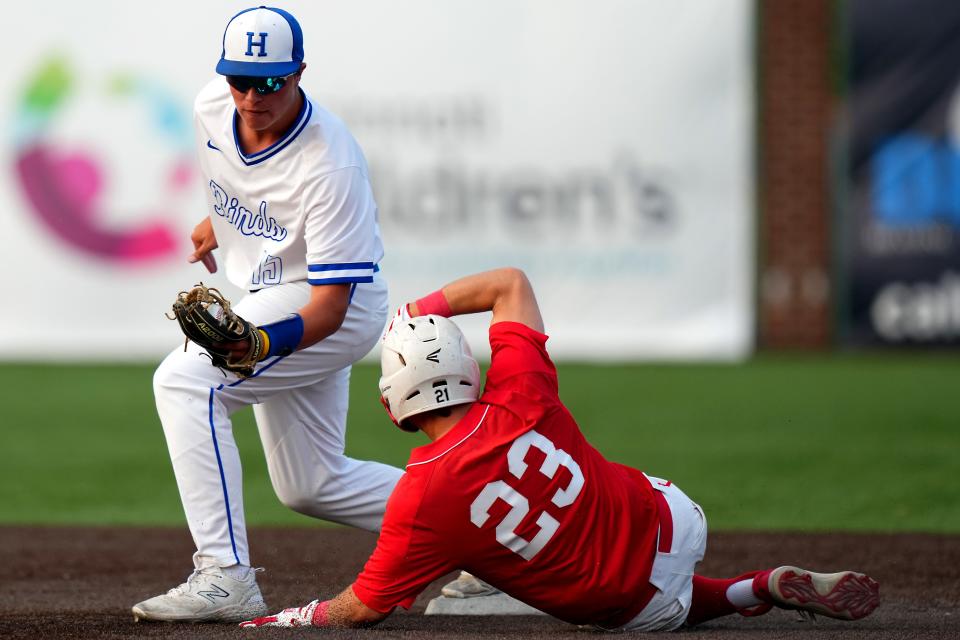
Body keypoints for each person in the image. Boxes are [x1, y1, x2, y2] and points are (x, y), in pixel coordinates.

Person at [238, 267, 881, 631]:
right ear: (470, 368)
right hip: (676, 515)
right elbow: (509, 283)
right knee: (634, 538)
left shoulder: (420, 497)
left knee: (645, 601)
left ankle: (751, 590)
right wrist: (418, 308)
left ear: (392, 406)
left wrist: (283, 621)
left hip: (632, 604)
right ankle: (760, 585)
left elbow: (362, 607)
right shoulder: (520, 389)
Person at [131, 7, 404, 623]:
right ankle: (474, 529)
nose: (253, 96)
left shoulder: (331, 161)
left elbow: (331, 305)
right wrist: (218, 224)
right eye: (240, 80)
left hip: (326, 303)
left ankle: (224, 576)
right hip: (269, 292)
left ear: (300, 73)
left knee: (184, 381)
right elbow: (235, 179)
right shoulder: (211, 106)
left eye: (271, 82)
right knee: (312, 484)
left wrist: (260, 341)